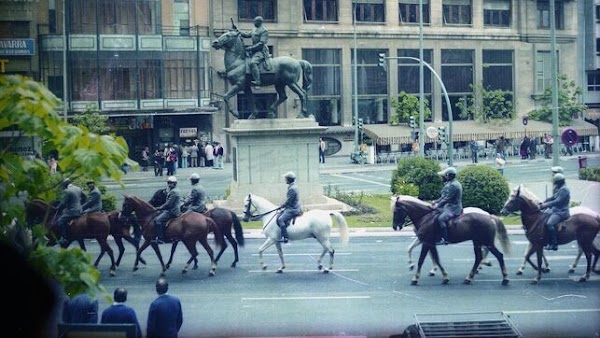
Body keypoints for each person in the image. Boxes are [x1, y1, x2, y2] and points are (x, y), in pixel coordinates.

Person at [539, 173, 570, 251]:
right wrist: (543, 202)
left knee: (549, 223)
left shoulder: (564, 190)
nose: (554, 184)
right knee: (543, 218)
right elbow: (553, 197)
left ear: (559, 182)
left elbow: (557, 201)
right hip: (555, 210)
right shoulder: (560, 188)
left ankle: (554, 244)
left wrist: (545, 205)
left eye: (555, 182)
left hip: (561, 212)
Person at [431, 167, 463, 245]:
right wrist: (435, 202)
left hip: (453, 209)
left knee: (441, 219)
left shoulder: (453, 185)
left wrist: (437, 205)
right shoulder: (451, 184)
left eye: (445, 175)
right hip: (449, 207)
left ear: (449, 176)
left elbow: (447, 199)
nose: (443, 177)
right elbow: (443, 197)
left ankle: (444, 239)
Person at [239, 16, 269, 86]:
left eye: (255, 22)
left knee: (253, 63)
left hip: (261, 51)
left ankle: (257, 80)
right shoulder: (254, 30)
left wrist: (250, 48)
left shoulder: (264, 31)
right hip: (253, 52)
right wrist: (237, 31)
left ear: (259, 22)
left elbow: (261, 43)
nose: (254, 23)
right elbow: (246, 35)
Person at [153, 176, 182, 243]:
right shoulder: (175, 190)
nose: (169, 184)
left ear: (174, 184)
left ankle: (160, 238)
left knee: (158, 220)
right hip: (173, 209)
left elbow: (168, 204)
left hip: (172, 211)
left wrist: (159, 208)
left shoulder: (173, 192)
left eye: (171, 183)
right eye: (168, 183)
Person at [55, 178, 83, 245]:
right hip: (80, 210)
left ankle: (64, 238)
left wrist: (57, 208)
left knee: (59, 221)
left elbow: (64, 202)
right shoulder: (78, 188)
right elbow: (84, 197)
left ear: (65, 184)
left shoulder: (67, 191)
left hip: (72, 211)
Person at [276, 171, 302, 243]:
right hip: (294, 206)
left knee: (280, 219)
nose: (285, 180)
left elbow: (288, 202)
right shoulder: (294, 186)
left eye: (286, 179)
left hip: (293, 209)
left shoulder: (292, 189)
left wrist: (281, 206)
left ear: (288, 179)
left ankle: (285, 237)